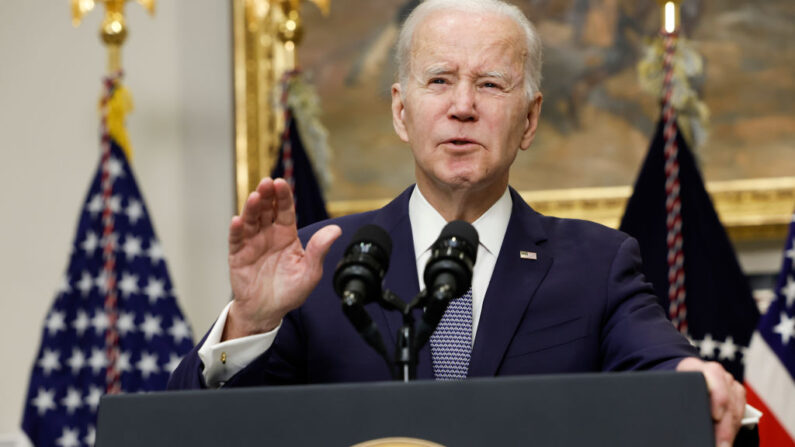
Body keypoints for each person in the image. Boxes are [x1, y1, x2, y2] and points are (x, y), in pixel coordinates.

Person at [169, 0, 746, 444]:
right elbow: (199, 432)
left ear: (529, 119)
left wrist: (692, 374)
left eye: (491, 84)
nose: (463, 105)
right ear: (402, 111)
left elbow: (659, 360)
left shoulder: (598, 264)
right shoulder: (319, 264)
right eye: (439, 80)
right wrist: (250, 320)